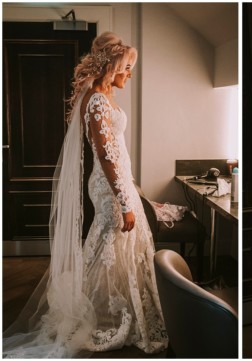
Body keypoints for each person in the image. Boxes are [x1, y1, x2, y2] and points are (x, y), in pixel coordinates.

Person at [3, 32, 167, 358]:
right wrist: (124, 201)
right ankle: (95, 313)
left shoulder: (104, 95)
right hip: (109, 188)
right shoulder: (95, 100)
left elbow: (117, 153)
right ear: (112, 66)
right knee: (108, 247)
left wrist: (129, 187)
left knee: (118, 250)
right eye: (128, 67)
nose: (130, 74)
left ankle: (125, 309)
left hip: (118, 182)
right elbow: (106, 155)